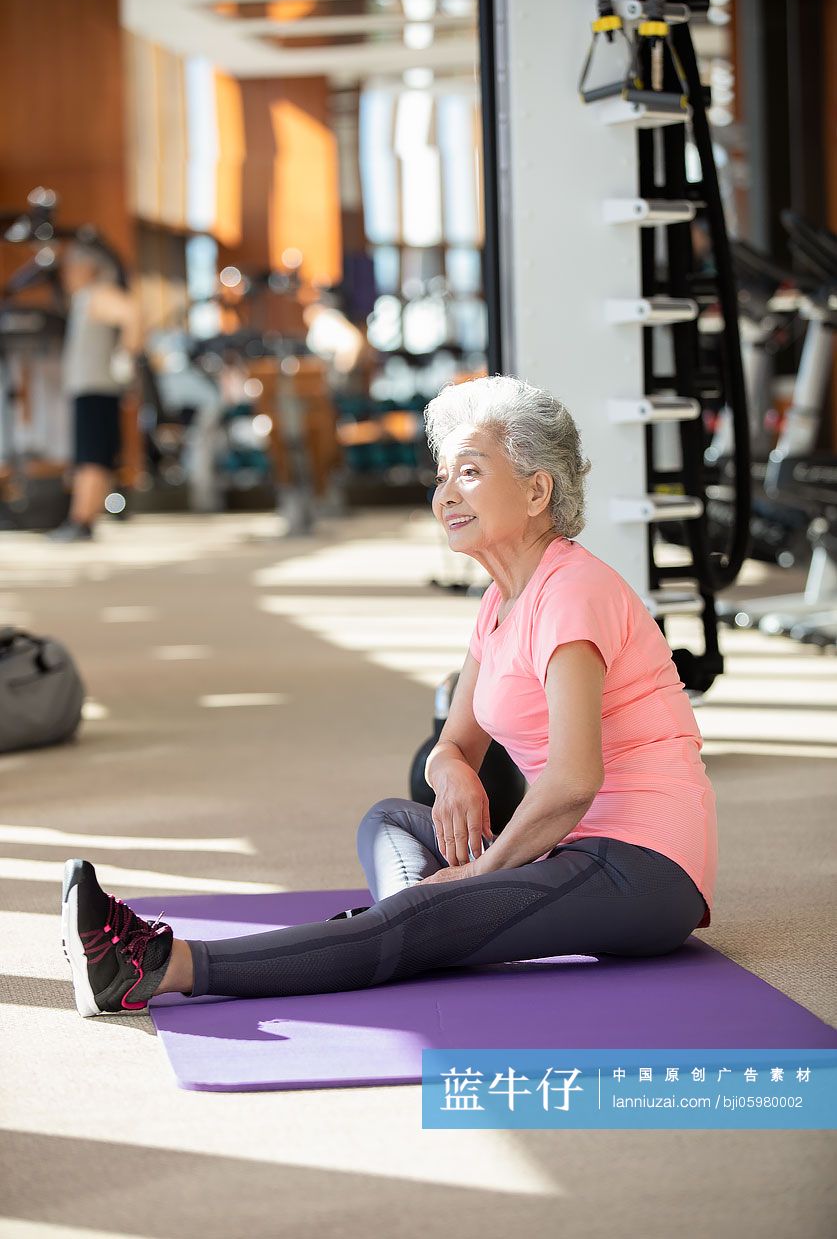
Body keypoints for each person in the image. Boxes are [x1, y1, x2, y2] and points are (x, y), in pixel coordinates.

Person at [61, 374, 716, 1017]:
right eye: (440, 476)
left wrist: (473, 874)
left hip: (639, 865)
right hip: (565, 845)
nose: (445, 494)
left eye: (468, 471)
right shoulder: (499, 601)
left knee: (428, 905)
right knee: (391, 819)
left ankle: (155, 964)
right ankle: (417, 929)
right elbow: (453, 742)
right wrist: (452, 769)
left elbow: (573, 781)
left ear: (537, 488)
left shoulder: (574, 592)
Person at [49, 239, 140, 542]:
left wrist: (124, 356)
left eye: (72, 268)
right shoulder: (84, 298)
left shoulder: (99, 293)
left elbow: (133, 315)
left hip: (97, 388)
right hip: (89, 388)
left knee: (92, 456)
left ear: (87, 268)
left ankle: (81, 519)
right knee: (91, 455)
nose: (67, 275)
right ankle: (85, 519)